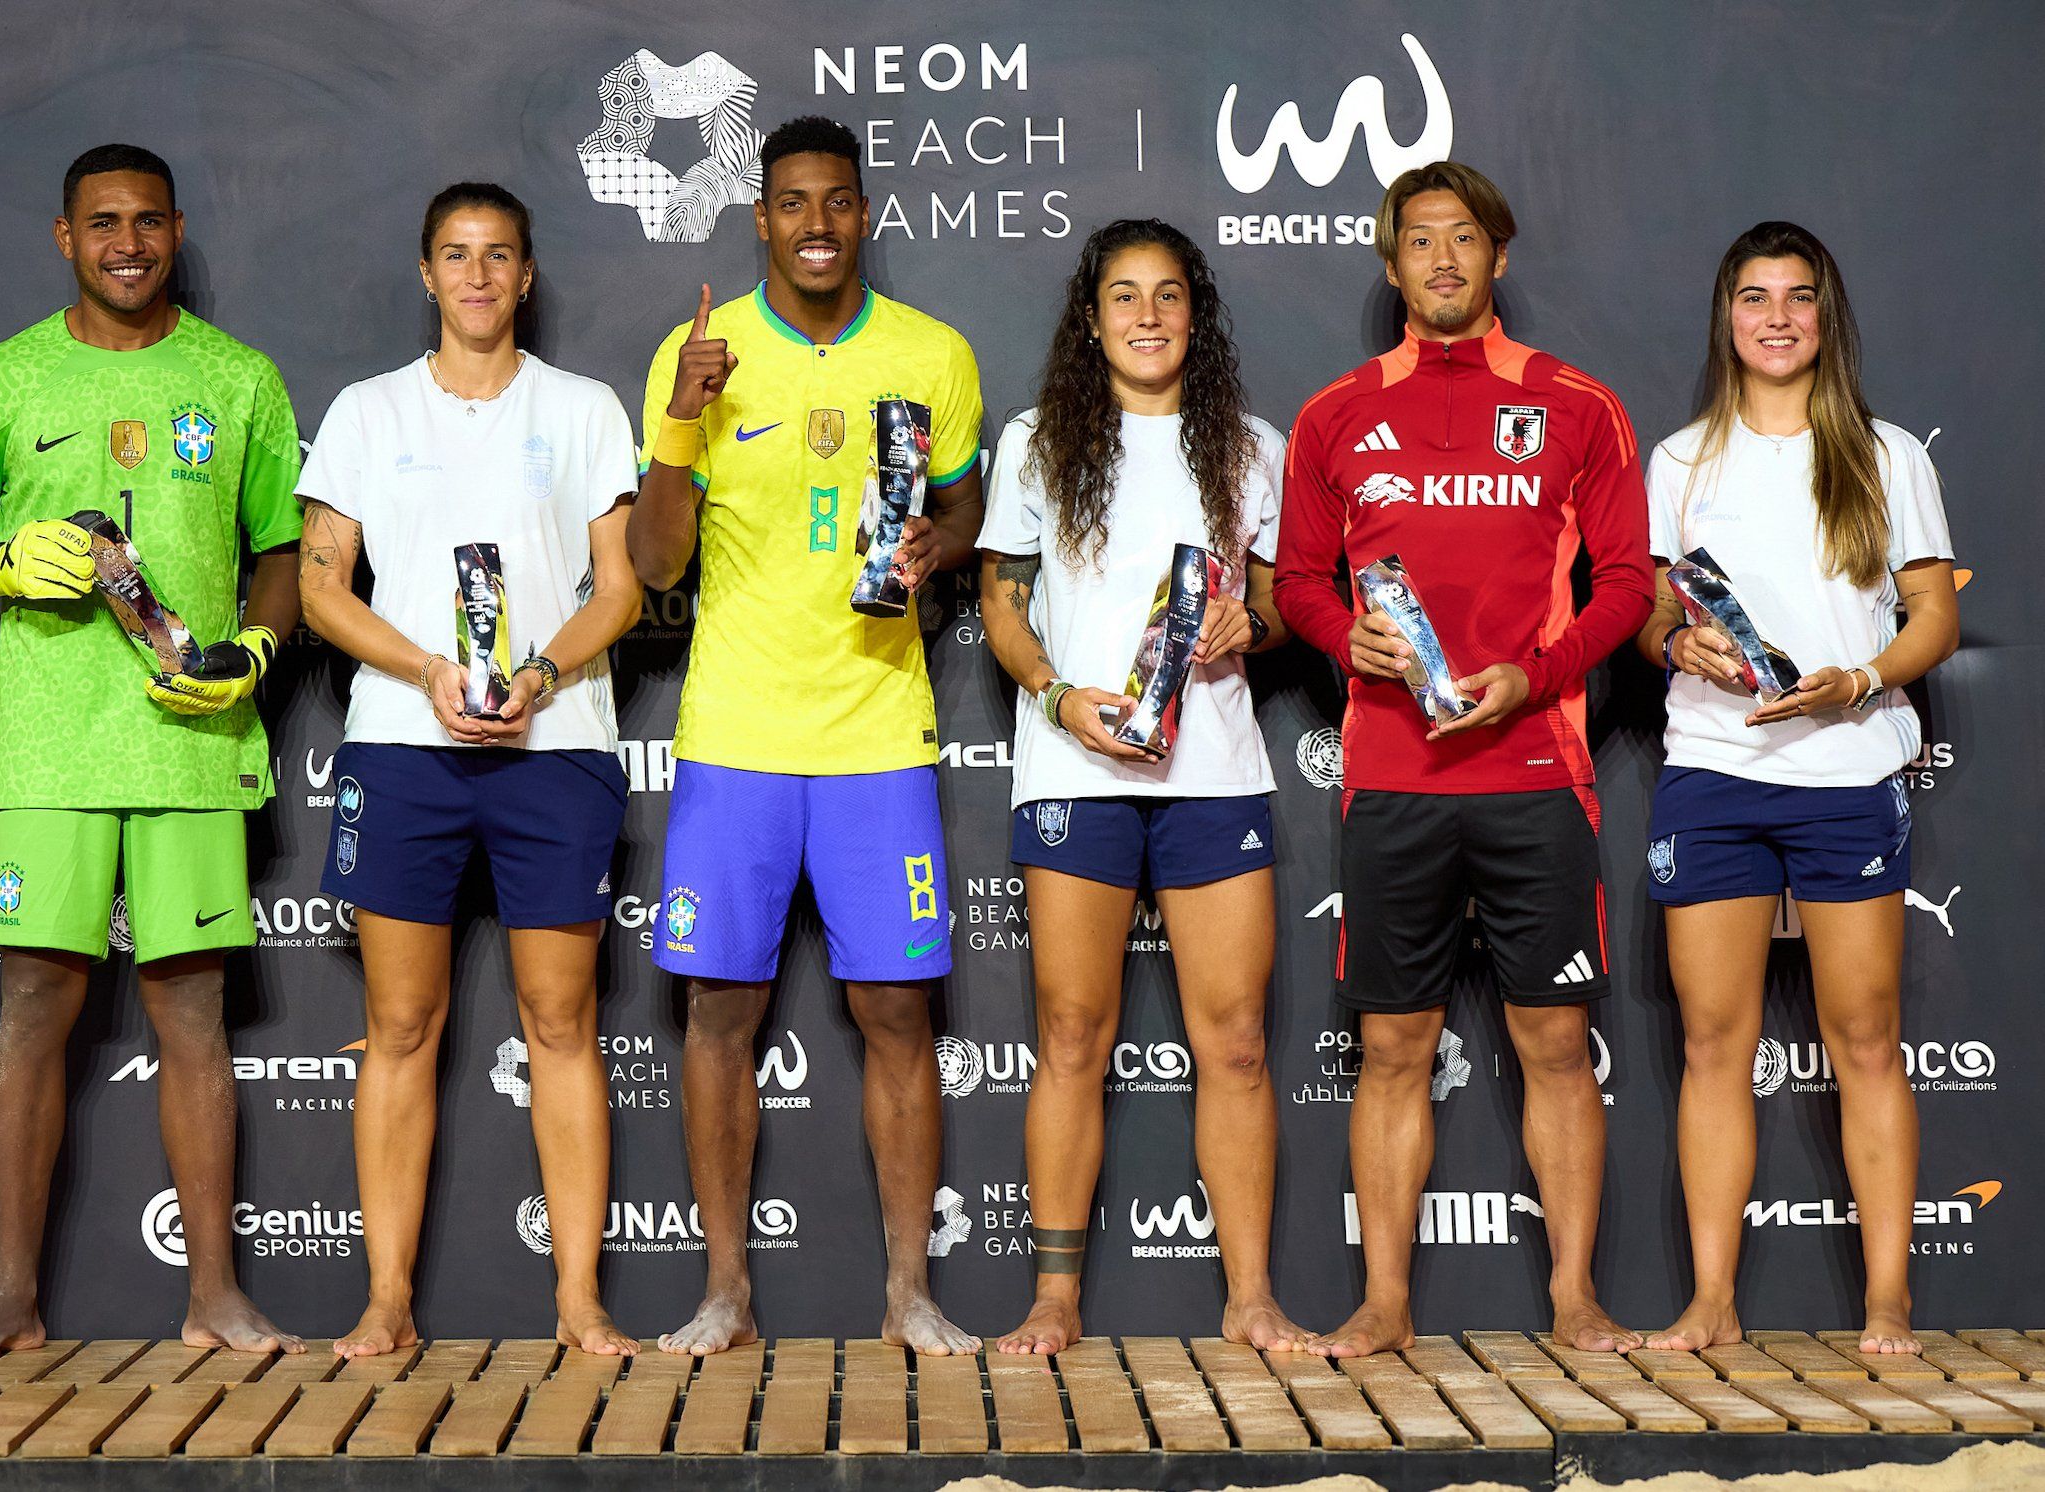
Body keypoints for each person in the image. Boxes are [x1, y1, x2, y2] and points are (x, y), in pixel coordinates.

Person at [0, 143, 303, 1356]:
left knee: (193, 1017)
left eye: (147, 221)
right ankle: (12, 1293)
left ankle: (214, 1295)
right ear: (64, 237)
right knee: (33, 1007)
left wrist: (254, 652)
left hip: (190, 743)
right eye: (102, 223)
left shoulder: (239, 380)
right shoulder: (2, 375)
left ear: (177, 229)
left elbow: (281, 552)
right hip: (44, 748)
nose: (127, 242)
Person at [1274, 161, 1652, 1357]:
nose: (1442, 259)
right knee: (1393, 1046)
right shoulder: (1334, 414)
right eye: (1419, 241)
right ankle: (1384, 1303)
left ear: (1499, 255)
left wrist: (1532, 676)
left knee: (1552, 1040)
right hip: (1392, 778)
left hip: (1536, 769)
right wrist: (1353, 642)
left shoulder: (1575, 404)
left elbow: (1630, 583)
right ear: (1389, 266)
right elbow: (1292, 583)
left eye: (1465, 239)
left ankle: (1575, 1296)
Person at [628, 115, 984, 1356]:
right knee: (719, 1012)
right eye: (791, 203)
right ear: (760, 217)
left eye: (837, 201)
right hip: (736, 734)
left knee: (896, 1014)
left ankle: (908, 1295)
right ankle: (725, 1293)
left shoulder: (932, 353)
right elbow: (654, 560)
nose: (816, 223)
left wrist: (943, 541)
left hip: (879, 733)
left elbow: (963, 497)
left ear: (864, 213)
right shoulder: (700, 351)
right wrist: (680, 416)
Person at [295, 183, 644, 1359]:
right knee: (400, 1025)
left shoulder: (586, 407)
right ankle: (386, 1302)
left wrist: (537, 678)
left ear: (528, 274)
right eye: (457, 254)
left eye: (500, 255)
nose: (479, 274)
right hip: (405, 747)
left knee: (562, 1024)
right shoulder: (365, 410)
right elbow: (320, 585)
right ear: (427, 274)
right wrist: (431, 670)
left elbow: (620, 587)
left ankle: (580, 1301)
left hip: (557, 750)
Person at [977, 219, 1305, 1356]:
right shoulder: (1036, 441)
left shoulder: (1251, 447)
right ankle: (1054, 1301)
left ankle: (1251, 1296)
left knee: (1239, 1043)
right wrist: (1060, 696)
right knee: (1070, 1034)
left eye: (1169, 295)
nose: (1149, 316)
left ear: (1195, 314)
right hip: (1074, 768)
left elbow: (1277, 605)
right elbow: (1001, 606)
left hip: (1212, 774)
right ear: (1091, 316)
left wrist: (1243, 624)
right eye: (1125, 296)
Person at [1636, 223, 1957, 1357]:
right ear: (1725, 316)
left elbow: (1936, 617)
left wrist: (1859, 679)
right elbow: (1650, 611)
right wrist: (1683, 649)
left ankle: (1886, 1301)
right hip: (1713, 773)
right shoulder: (1677, 460)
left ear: (1827, 317)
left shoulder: (1885, 454)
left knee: (1864, 1039)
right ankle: (1711, 1302)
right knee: (1712, 1043)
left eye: (1799, 297)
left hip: (1845, 772)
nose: (1776, 317)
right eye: (1754, 296)